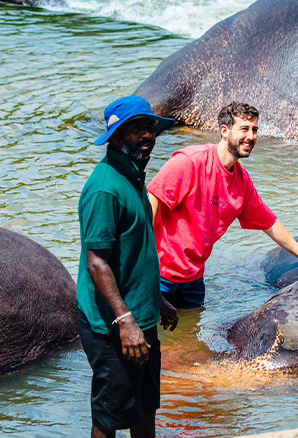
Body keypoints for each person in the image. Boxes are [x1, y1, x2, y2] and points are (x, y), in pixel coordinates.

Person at [147, 102, 298, 310]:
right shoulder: (189, 162)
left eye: (255, 130)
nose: (251, 136)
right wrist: (142, 264)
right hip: (157, 275)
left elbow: (269, 222)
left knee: (188, 337)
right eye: (244, 129)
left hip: (193, 280)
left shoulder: (242, 182)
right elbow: (152, 201)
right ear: (224, 131)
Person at [77, 96, 179, 438]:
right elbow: (97, 262)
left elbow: (136, 251)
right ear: (117, 138)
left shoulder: (134, 177)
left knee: (144, 408)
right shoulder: (105, 188)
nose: (147, 135)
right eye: (136, 129)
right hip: (114, 327)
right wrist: (125, 322)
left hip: (141, 318)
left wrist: (158, 301)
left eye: (149, 128)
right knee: (109, 417)